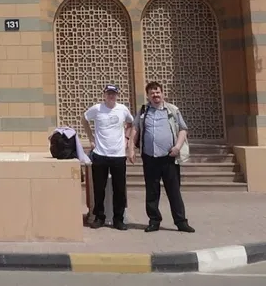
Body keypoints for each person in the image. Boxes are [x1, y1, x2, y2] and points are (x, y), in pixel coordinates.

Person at [135, 80, 194, 233]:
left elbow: (183, 129)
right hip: (149, 157)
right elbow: (135, 130)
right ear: (148, 96)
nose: (155, 95)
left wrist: (177, 147)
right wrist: (129, 150)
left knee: (174, 191)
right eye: (152, 93)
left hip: (169, 157)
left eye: (158, 92)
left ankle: (181, 222)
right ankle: (154, 221)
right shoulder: (143, 111)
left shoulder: (172, 110)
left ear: (162, 93)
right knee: (152, 192)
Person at [82, 84, 135, 229]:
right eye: (109, 93)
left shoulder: (122, 109)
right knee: (99, 188)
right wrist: (91, 138)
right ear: (104, 95)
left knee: (119, 189)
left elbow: (131, 123)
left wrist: (127, 139)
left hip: (118, 155)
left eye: (114, 94)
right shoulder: (97, 109)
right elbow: (84, 119)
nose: (111, 96)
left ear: (117, 95)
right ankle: (99, 217)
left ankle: (119, 219)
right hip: (100, 154)